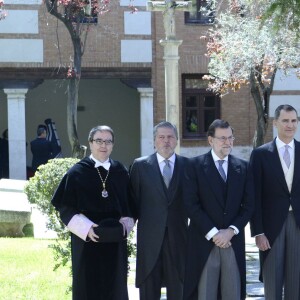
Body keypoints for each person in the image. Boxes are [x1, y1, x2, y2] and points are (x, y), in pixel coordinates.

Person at [51, 125, 134, 300]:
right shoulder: (77, 172)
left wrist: (125, 226)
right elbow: (65, 207)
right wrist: (86, 228)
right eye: (99, 141)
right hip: (87, 241)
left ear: (113, 145)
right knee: (87, 286)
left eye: (108, 141)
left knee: (115, 286)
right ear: (90, 143)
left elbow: (131, 205)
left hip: (114, 240)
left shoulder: (120, 171)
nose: (103, 145)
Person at [183, 119, 254, 300]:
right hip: (204, 240)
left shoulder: (243, 167)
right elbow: (191, 205)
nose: (227, 142)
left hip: (232, 241)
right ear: (210, 140)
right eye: (222, 138)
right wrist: (215, 233)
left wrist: (231, 231)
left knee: (233, 293)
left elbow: (248, 205)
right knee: (205, 293)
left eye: (230, 138)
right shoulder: (193, 166)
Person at [129, 121, 189, 300]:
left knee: (179, 289)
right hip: (149, 242)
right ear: (154, 141)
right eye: (161, 137)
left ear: (177, 140)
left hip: (179, 241)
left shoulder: (189, 166)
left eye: (170, 137)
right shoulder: (140, 166)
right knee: (148, 291)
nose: (166, 141)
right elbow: (132, 203)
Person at [250, 104, 300, 300]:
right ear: (275, 123)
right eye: (285, 121)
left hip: (298, 224)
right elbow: (254, 196)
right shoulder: (261, 154)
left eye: (294, 121)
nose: (290, 125)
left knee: (296, 283)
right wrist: (258, 232)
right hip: (270, 229)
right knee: (273, 282)